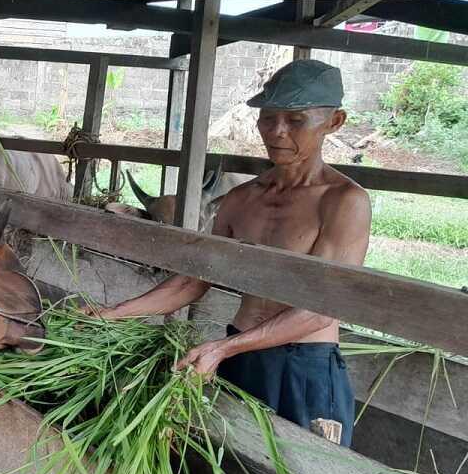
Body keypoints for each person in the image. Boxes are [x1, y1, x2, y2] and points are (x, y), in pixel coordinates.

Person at [88, 59, 371, 446]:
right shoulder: (240, 200)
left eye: (296, 120)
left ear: (334, 122)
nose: (277, 131)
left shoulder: (343, 202)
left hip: (302, 367)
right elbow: (194, 280)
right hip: (238, 357)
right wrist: (113, 314)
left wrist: (223, 347)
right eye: (268, 118)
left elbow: (322, 308)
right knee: (229, 469)